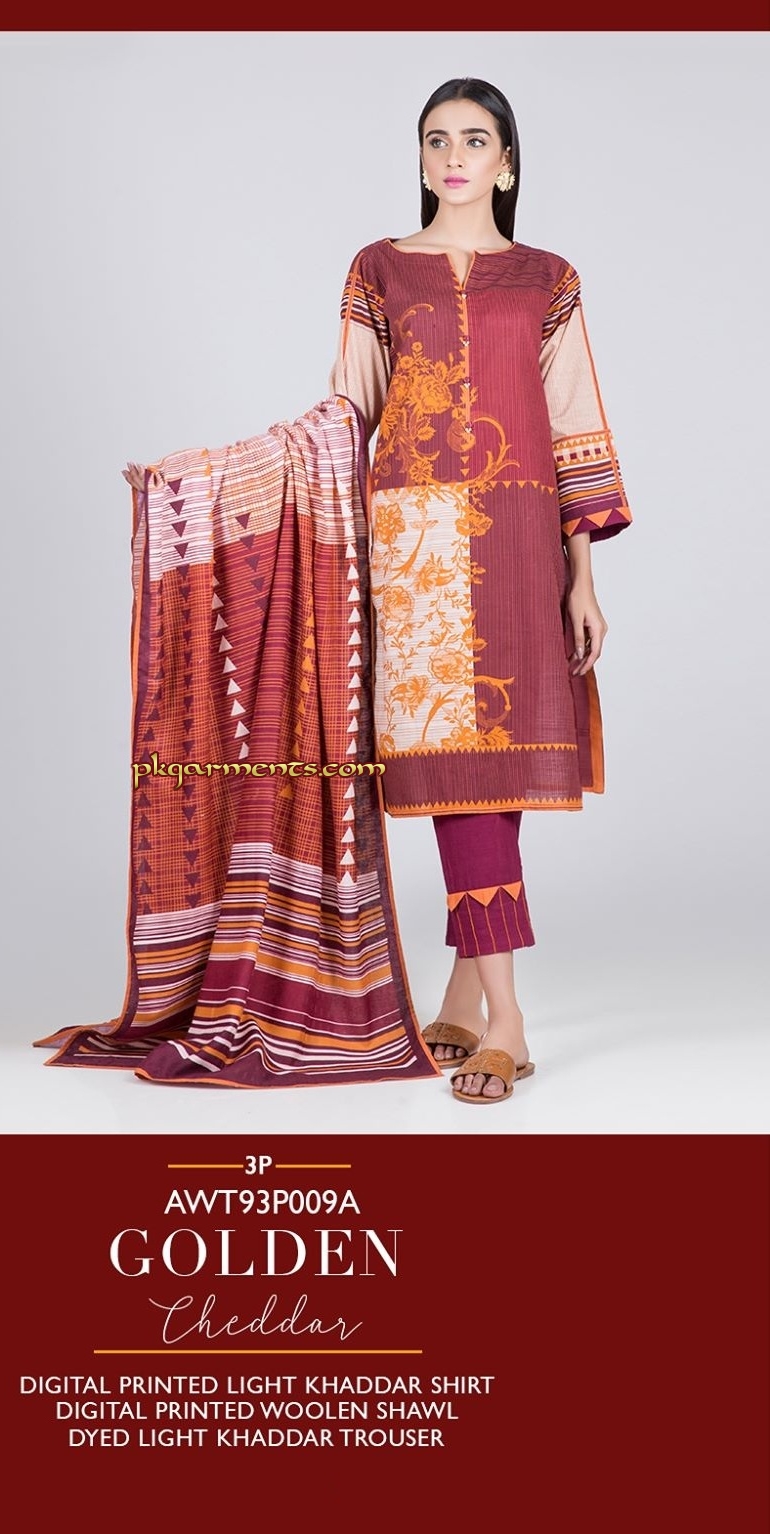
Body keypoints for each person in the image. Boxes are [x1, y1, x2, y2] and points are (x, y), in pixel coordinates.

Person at [328, 77, 632, 1103]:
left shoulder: (547, 277)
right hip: (413, 544)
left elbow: (573, 420)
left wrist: (582, 576)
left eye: (473, 140)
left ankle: (467, 1000)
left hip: (517, 539)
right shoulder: (378, 270)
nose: (452, 157)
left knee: (494, 766)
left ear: (506, 163)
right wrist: (226, 481)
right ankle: (507, 1018)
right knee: (456, 769)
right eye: (435, 140)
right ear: (419, 160)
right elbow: (346, 413)